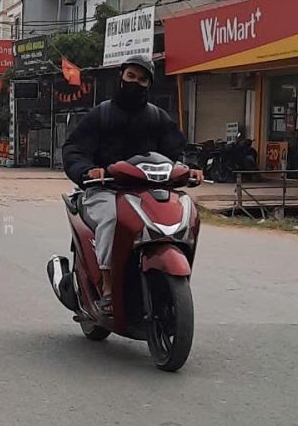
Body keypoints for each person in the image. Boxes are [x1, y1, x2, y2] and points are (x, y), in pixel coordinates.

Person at [61, 58, 198, 280]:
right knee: (112, 217)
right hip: (105, 189)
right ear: (121, 77)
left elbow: (179, 150)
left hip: (148, 192)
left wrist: (191, 168)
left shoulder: (157, 118)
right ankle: (107, 281)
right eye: (131, 76)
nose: (135, 82)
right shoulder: (101, 114)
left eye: (142, 79)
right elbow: (74, 149)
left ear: (149, 85)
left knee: (184, 213)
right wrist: (88, 170)